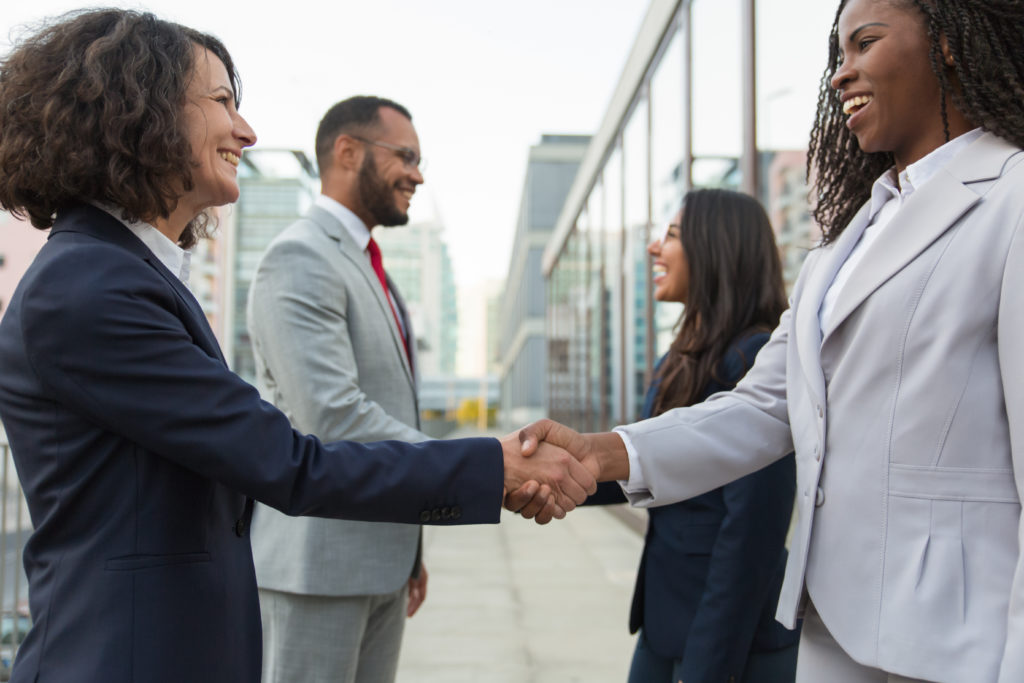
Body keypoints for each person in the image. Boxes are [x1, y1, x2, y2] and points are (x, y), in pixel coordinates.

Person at [0, 10, 594, 683]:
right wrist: (495, 466)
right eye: (223, 101)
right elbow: (289, 456)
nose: (247, 131)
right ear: (139, 108)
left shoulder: (123, 273)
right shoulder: (88, 286)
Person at [522, 1, 1024, 681]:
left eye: (864, 44)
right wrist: (602, 451)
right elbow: (759, 408)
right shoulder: (842, 245)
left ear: (949, 45)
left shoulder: (1012, 199)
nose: (840, 75)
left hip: (960, 646)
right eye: (837, 56)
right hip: (828, 631)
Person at [247, 95, 431, 683]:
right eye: (405, 156)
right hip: (316, 569)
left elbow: (391, 407)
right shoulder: (300, 256)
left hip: (383, 562)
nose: (418, 174)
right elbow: (332, 415)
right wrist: (478, 465)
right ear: (348, 152)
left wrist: (412, 549)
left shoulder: (366, 263)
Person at [586, 189, 799, 682]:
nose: (654, 249)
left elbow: (752, 536)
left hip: (726, 643)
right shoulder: (682, 355)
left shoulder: (754, 360)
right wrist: (538, 475)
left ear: (716, 249)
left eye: (673, 235)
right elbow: (646, 468)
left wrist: (707, 667)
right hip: (666, 624)